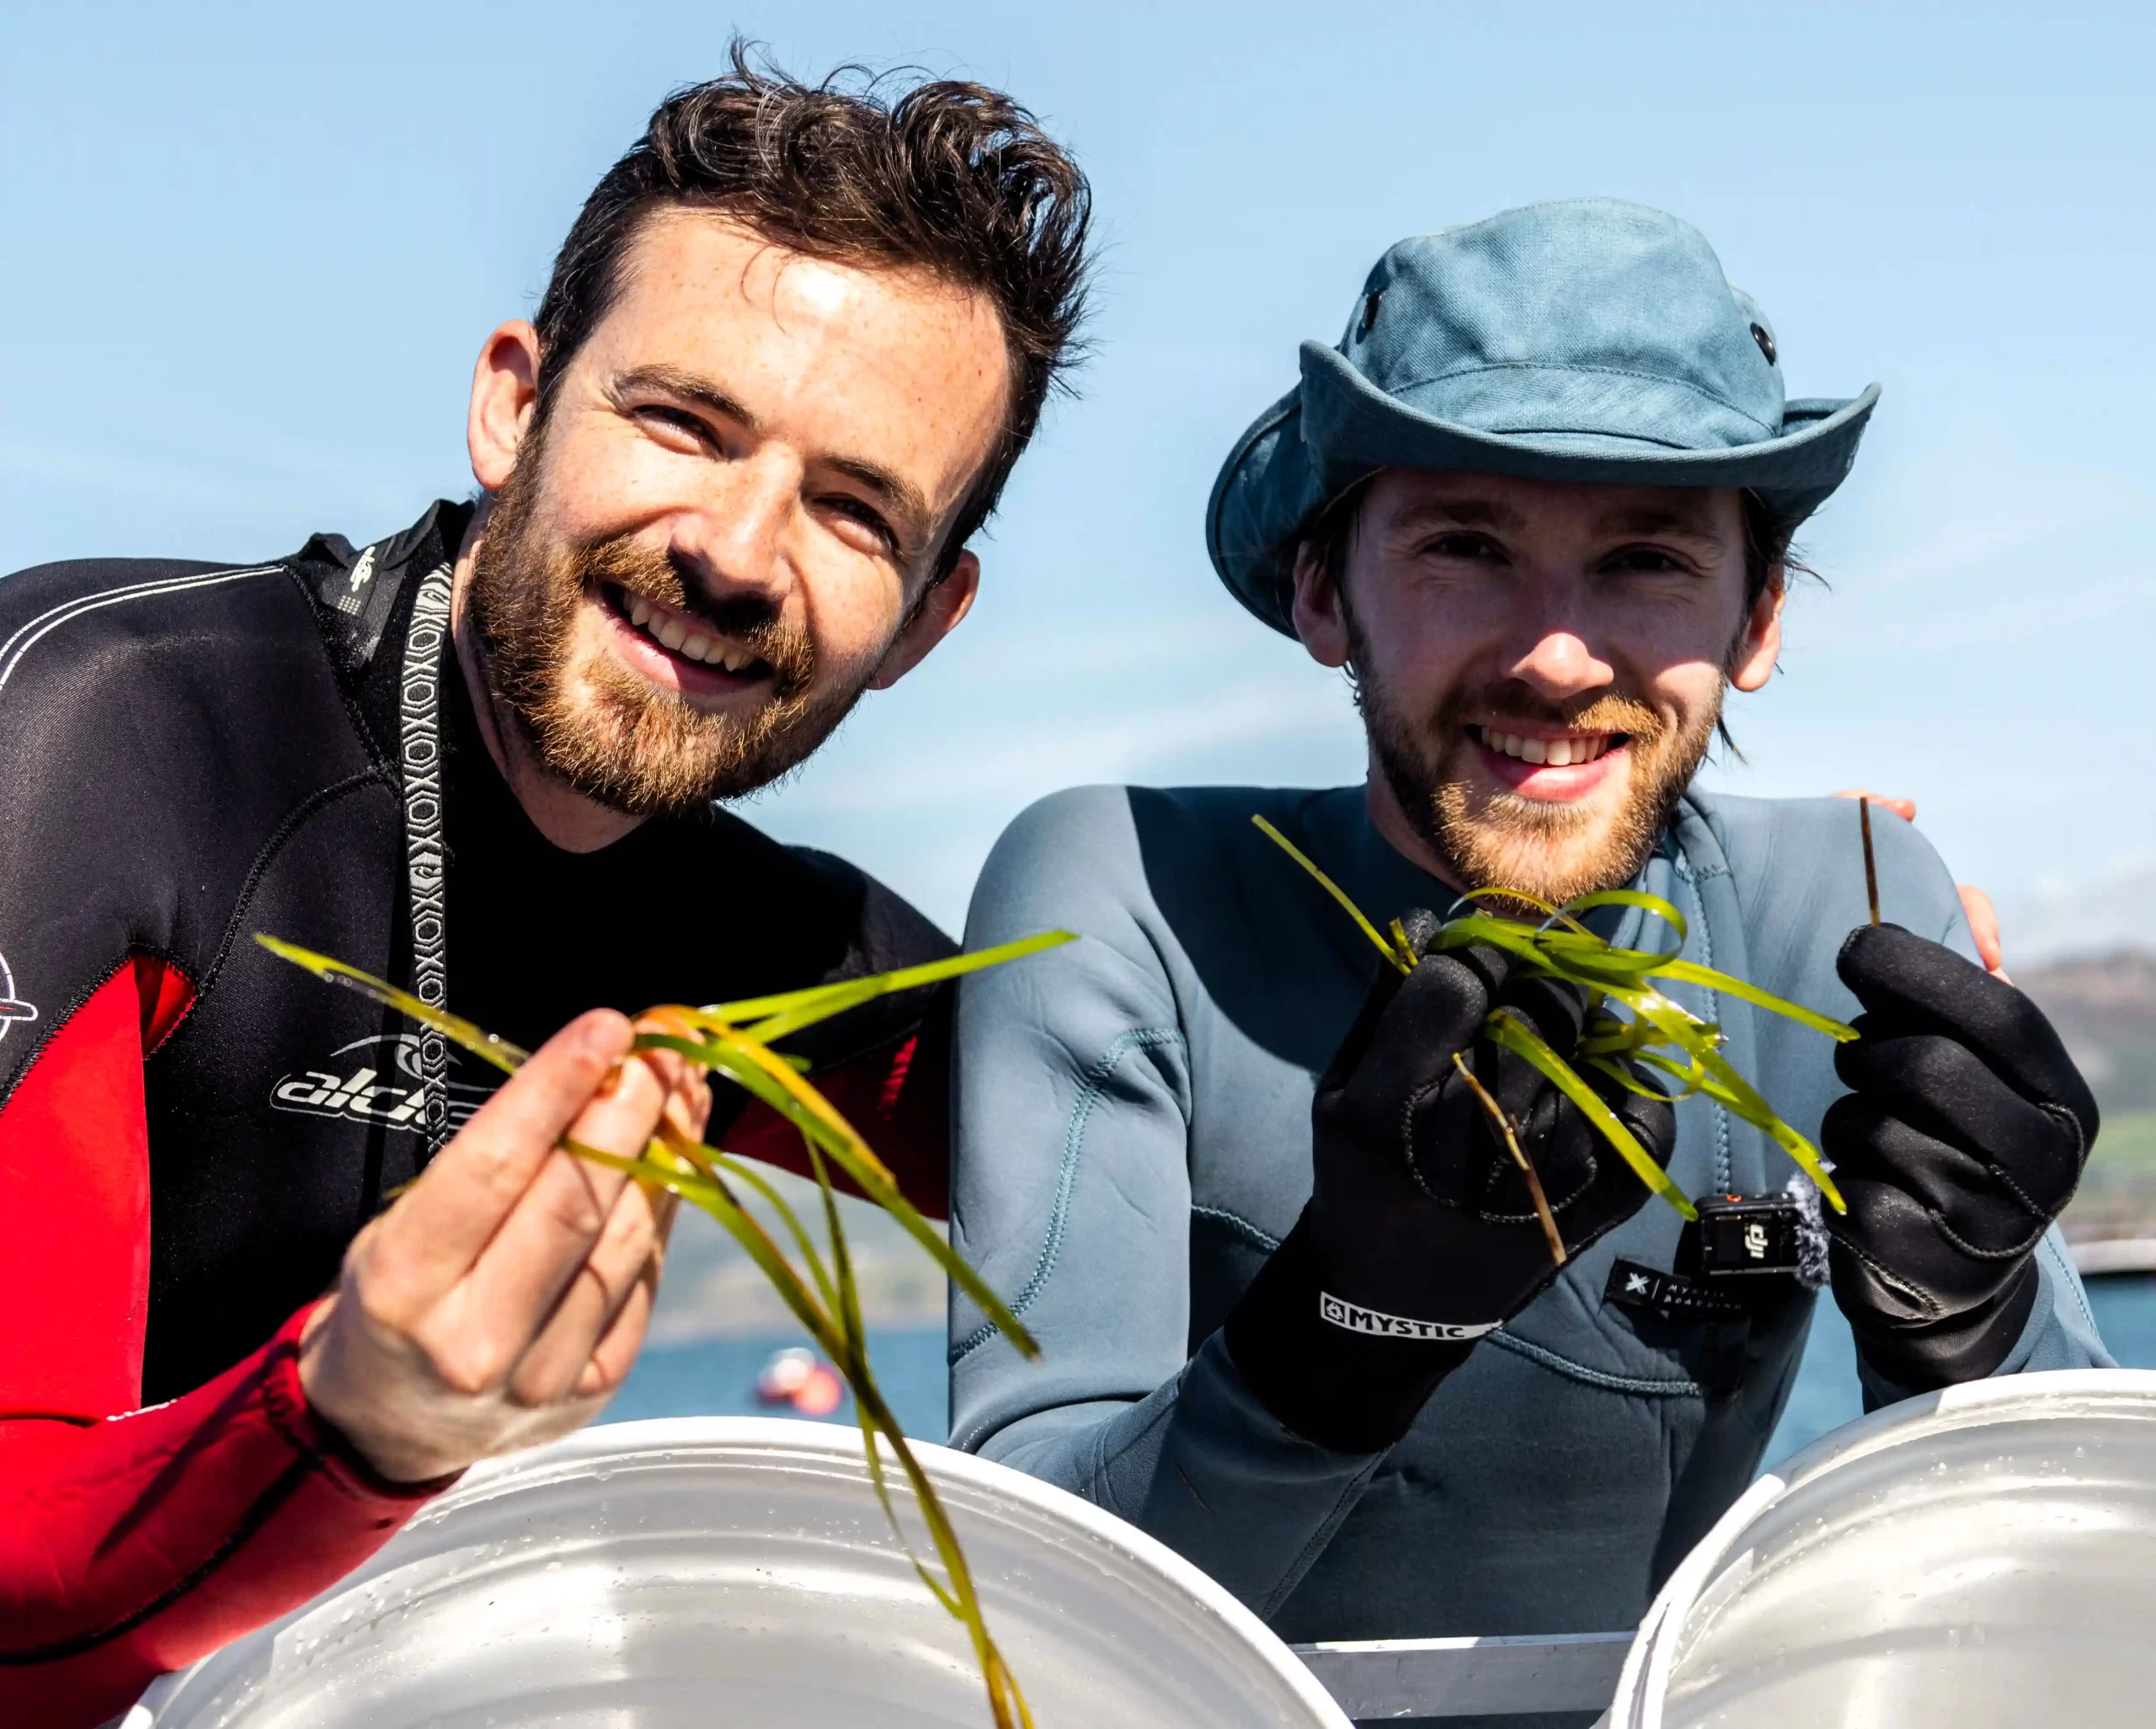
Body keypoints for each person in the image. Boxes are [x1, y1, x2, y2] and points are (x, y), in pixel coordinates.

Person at [0, 51, 1089, 1727]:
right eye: (680, 421)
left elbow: (1189, 1164)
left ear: (927, 624)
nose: (734, 549)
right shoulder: (108, 737)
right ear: (515, 401)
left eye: (856, 510)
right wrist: (352, 1419)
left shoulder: (773, 953)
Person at [947, 200, 2106, 1723]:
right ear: (1320, 592)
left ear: (1754, 618)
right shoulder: (1133, 892)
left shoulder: (1857, 903)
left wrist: (1985, 1328)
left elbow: (2086, 1577)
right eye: (1465, 546)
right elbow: (1011, 1617)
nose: (1556, 653)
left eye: (1643, 558)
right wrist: (1340, 1336)